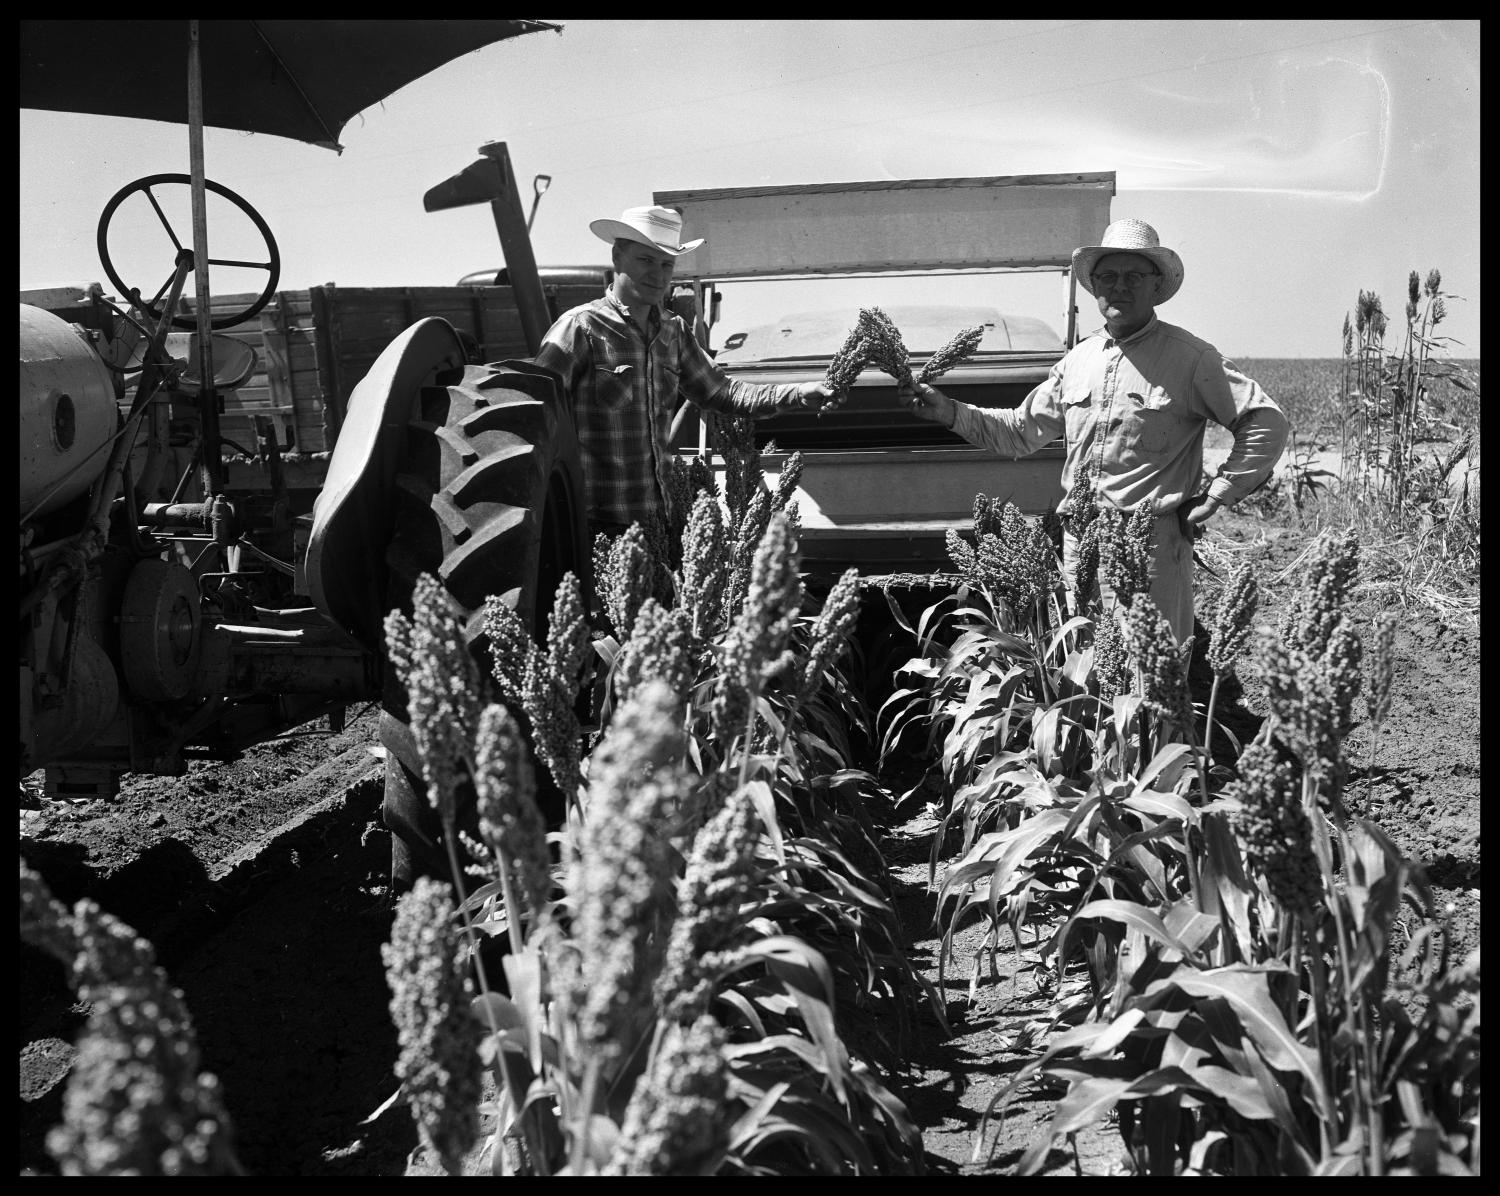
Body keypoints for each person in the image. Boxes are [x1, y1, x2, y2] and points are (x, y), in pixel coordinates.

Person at [898, 218, 1288, 646]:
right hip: (1080, 542)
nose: (1119, 287)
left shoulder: (1190, 358)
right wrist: (948, 411)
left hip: (1150, 548)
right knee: (1084, 665)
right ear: (1094, 287)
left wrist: (1217, 496)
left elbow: (1265, 422)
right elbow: (1020, 431)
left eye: (1134, 276)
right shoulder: (1077, 361)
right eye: (1108, 277)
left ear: (1157, 285)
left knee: (1150, 669)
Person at [535, 204, 833, 539]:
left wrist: (798, 393)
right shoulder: (581, 328)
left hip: (660, 523)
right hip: (596, 529)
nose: (658, 274)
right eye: (646, 260)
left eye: (667, 264)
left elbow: (723, 392)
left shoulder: (673, 331)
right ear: (617, 257)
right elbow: (534, 415)